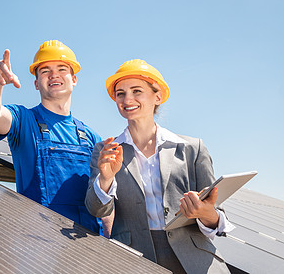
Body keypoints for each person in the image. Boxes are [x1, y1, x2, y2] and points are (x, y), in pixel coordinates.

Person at [85, 59, 234, 273]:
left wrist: (205, 213)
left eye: (137, 91)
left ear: (157, 96)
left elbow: (217, 216)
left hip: (194, 262)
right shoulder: (105, 151)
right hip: (132, 260)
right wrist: (106, 179)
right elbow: (96, 209)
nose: (127, 99)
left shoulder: (193, 148)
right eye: (120, 93)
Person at [0, 40, 106, 234]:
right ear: (37, 83)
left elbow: (104, 198)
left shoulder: (91, 137)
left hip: (88, 248)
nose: (54, 74)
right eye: (45, 70)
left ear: (74, 79)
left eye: (62, 68)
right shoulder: (24, 121)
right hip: (40, 247)